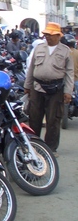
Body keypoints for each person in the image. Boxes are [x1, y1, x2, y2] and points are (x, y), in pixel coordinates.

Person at [25, 22, 73, 155]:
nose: (48, 37)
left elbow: (69, 73)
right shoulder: (39, 48)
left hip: (56, 89)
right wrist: (27, 86)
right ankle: (33, 146)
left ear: (58, 36)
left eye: (51, 35)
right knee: (34, 118)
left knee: (53, 120)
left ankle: (51, 148)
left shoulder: (65, 51)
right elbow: (31, 69)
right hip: (37, 87)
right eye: (46, 35)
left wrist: (68, 92)